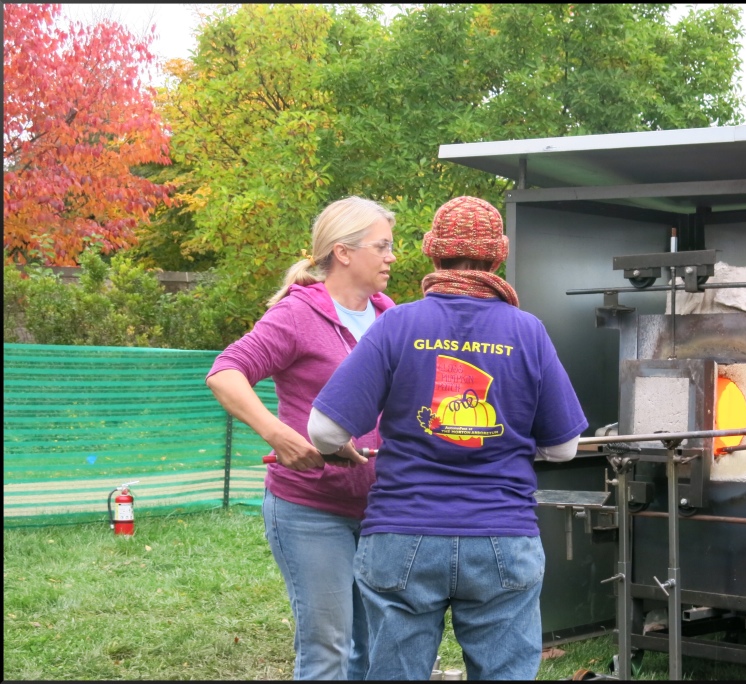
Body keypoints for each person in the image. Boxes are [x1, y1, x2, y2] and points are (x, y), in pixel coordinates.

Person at [306, 195, 588, 680]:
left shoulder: (397, 323)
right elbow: (564, 447)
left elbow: (324, 430)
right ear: (498, 255)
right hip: (502, 535)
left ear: (433, 251)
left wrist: (346, 449)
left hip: (402, 532)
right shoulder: (528, 330)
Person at [205, 196, 398, 680]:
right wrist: (279, 434)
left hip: (381, 509)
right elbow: (226, 373)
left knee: (376, 645)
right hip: (311, 511)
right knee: (327, 648)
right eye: (383, 246)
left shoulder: (389, 313)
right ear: (345, 252)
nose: (393, 257)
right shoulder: (297, 315)